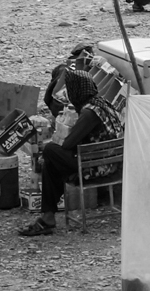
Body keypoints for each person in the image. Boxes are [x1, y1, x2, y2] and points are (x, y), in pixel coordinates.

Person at [20, 52, 123, 236]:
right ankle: (47, 217)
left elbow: (68, 144)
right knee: (52, 162)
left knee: (51, 151)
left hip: (98, 168)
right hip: (111, 164)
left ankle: (47, 218)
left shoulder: (89, 113)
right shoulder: (104, 104)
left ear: (76, 92)